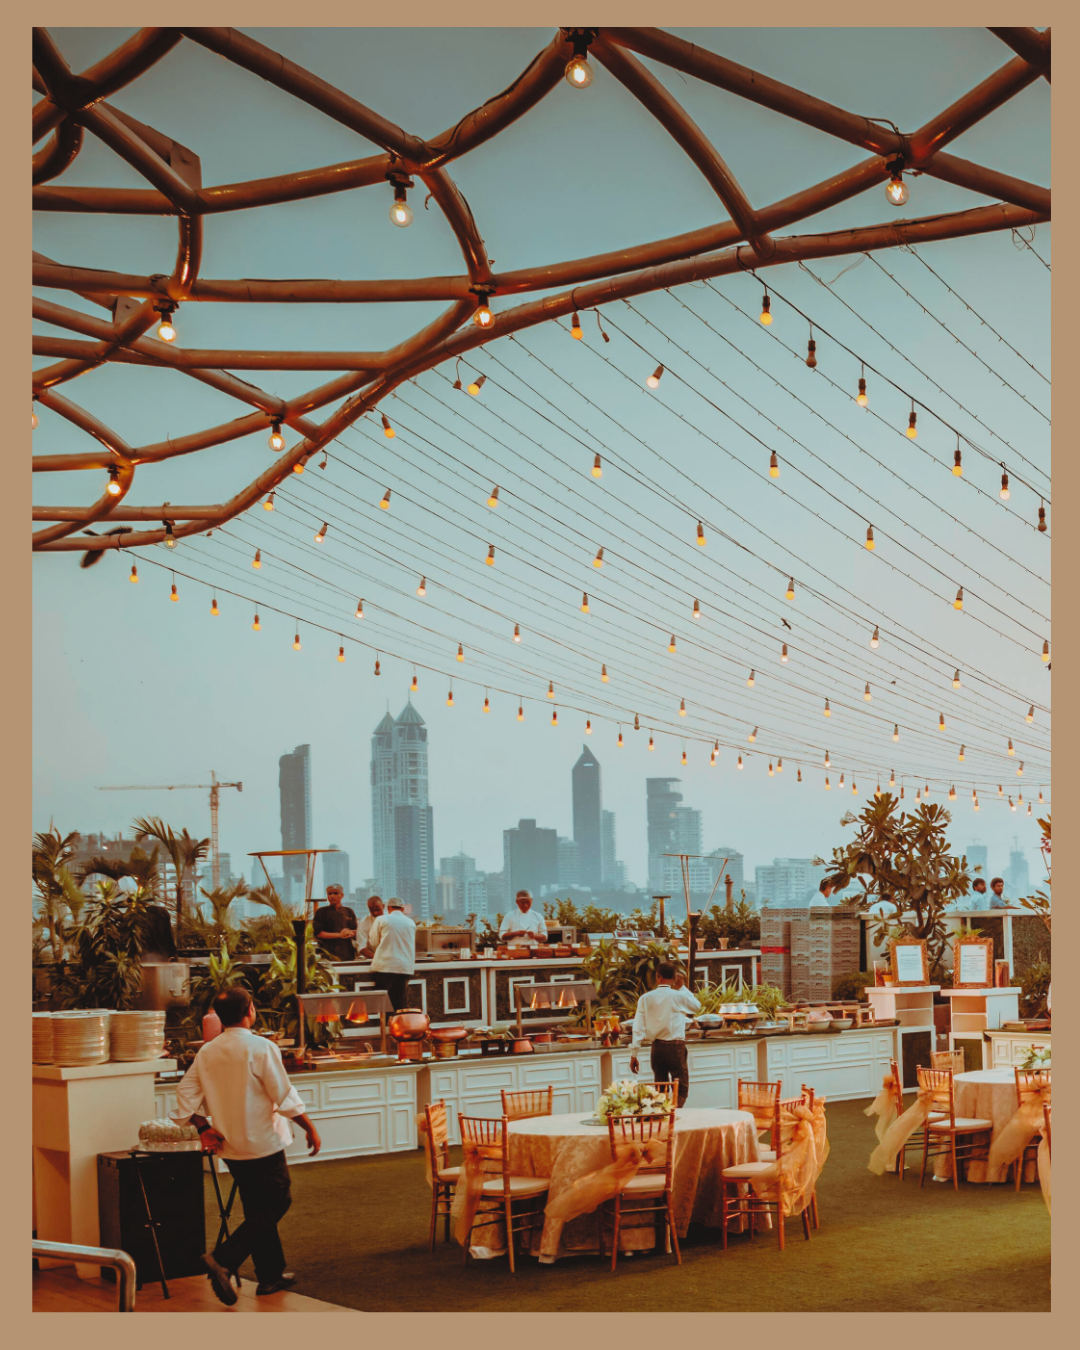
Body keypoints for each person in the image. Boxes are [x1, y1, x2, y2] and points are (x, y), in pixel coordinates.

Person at [172, 986, 321, 1305]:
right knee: (277, 1201)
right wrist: (309, 1128)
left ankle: (270, 1276)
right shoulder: (261, 1047)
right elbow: (283, 1093)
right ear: (250, 1010)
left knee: (257, 1209)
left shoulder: (208, 1051)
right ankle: (223, 1259)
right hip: (263, 1143)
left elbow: (185, 1093)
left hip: (230, 1145)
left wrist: (204, 1129)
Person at [628, 961, 700, 1107]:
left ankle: (663, 1113)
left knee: (660, 1085)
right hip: (675, 1046)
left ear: (657, 976)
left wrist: (634, 1053)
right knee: (681, 1086)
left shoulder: (645, 999)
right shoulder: (677, 996)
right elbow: (696, 1007)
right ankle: (676, 1113)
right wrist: (682, 988)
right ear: (674, 977)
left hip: (657, 1047)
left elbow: (638, 1027)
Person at [369, 897, 416, 1011]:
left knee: (383, 1002)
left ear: (388, 907)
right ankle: (398, 1026)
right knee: (399, 1001)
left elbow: (373, 942)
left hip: (385, 966)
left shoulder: (381, 920)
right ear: (402, 908)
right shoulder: (411, 923)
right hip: (404, 967)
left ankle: (385, 1026)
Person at [312, 884, 358, 961]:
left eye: (336, 893)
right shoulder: (321, 912)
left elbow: (355, 931)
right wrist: (340, 935)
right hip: (328, 954)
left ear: (342, 895)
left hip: (347, 954)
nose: (332, 896)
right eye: (330, 894)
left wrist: (351, 933)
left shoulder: (349, 911)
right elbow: (319, 934)